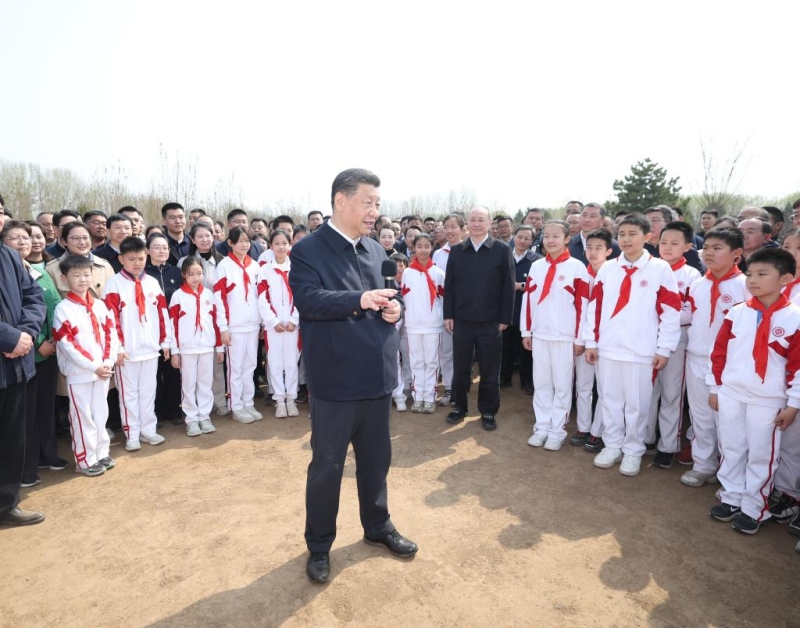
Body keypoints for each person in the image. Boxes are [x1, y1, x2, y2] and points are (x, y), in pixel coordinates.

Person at [290, 168, 417, 584]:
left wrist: (394, 310)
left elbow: (389, 300)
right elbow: (309, 301)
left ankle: (377, 526)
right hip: (336, 381)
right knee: (327, 466)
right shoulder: (309, 250)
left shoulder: (377, 251)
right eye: (368, 202)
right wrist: (359, 299)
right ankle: (320, 545)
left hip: (376, 377)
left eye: (378, 204)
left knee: (376, 461)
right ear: (340, 201)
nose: (375, 212)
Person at [707, 248, 800, 534]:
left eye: (762, 274)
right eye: (749, 274)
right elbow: (719, 352)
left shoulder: (794, 317)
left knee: (762, 455)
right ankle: (732, 496)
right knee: (731, 447)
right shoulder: (737, 312)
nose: (753, 280)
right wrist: (715, 387)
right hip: (732, 392)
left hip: (769, 399)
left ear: (785, 278)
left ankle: (754, 507)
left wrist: (793, 403)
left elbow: (798, 366)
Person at [583, 213, 681, 477]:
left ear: (647, 237)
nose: (625, 239)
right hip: (609, 348)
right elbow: (595, 307)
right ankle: (613, 444)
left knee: (637, 405)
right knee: (610, 399)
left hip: (642, 351)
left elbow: (671, 311)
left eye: (632, 234)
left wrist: (664, 348)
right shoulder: (608, 268)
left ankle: (633, 450)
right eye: (622, 234)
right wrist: (591, 341)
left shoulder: (660, 269)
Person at [680, 228, 749, 485]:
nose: (709, 253)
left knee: (729, 422)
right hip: (696, 357)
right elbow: (687, 317)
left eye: (717, 248)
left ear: (737, 254)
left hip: (729, 366)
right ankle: (703, 464)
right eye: (706, 247)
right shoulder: (697, 284)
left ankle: (732, 476)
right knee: (700, 416)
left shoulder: (745, 286)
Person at [1, 222, 65, 487]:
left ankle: (42, 458)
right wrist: (23, 339)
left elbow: (36, 300)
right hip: (23, 350)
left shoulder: (23, 265)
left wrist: (27, 334)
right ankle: (24, 473)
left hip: (28, 356)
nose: (23, 242)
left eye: (26, 237)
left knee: (34, 416)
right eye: (15, 238)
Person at [443, 206, 515, 431]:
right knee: (461, 367)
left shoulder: (502, 250)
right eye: (472, 220)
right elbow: (450, 285)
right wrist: (448, 314)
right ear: (467, 223)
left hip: (491, 322)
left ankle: (488, 411)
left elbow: (508, 287)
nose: (476, 224)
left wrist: (505, 317)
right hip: (462, 320)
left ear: (489, 223)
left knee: (489, 369)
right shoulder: (457, 251)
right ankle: (459, 407)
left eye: (481, 220)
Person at [520, 220, 589, 450]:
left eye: (556, 236)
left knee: (562, 386)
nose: (550, 240)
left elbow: (583, 306)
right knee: (541, 384)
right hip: (540, 335)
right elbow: (528, 302)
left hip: (565, 337)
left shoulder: (577, 267)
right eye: (547, 236)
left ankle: (557, 430)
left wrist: (580, 338)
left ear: (567, 238)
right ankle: (541, 426)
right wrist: (526, 330)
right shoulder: (538, 267)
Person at [103, 237, 172, 451]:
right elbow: (110, 320)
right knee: (128, 394)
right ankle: (131, 433)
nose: (137, 263)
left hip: (150, 349)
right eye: (131, 259)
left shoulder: (152, 282)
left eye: (141, 258)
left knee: (148, 391)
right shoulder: (114, 284)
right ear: (121, 259)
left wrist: (166, 342)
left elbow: (163, 315)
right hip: (128, 352)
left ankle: (148, 430)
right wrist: (118, 348)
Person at [52, 254, 118, 477]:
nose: (82, 279)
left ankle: (101, 452)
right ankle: (84, 459)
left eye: (86, 274)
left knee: (101, 412)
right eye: (76, 275)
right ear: (64, 278)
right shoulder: (63, 309)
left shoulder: (99, 305)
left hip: (102, 370)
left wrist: (107, 362)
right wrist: (93, 365)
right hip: (80, 372)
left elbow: (111, 334)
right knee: (82, 416)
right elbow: (67, 345)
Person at [645, 222, 701, 469]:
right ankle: (646, 438)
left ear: (688, 247)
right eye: (664, 242)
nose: (667, 247)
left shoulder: (691, 275)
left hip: (676, 342)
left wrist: (659, 316)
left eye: (675, 243)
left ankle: (667, 446)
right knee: (647, 392)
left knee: (671, 394)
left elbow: (689, 313)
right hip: (645, 340)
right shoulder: (649, 269)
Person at [0, 229, 46, 525]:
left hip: (15, 367)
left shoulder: (8, 256)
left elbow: (33, 296)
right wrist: (7, 337)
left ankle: (6, 505)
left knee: (11, 440)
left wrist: (26, 333)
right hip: (8, 349)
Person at [178, 222, 230, 416]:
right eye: (199, 236)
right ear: (192, 239)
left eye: (208, 235)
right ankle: (193, 408)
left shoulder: (222, 261)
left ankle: (218, 401)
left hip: (214, 313)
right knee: (192, 372)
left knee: (215, 364)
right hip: (193, 317)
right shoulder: (185, 260)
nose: (205, 239)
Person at [169, 257, 223, 437]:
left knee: (205, 383)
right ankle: (191, 419)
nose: (195, 278)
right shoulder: (178, 296)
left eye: (199, 273)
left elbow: (216, 323)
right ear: (184, 275)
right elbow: (173, 325)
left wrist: (219, 347)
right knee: (188, 384)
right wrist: (175, 351)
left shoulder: (209, 295)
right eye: (191, 274)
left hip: (207, 347)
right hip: (187, 349)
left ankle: (204, 416)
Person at [213, 227, 262, 424]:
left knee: (250, 366)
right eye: (239, 241)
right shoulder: (224, 267)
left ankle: (248, 402)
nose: (244, 244)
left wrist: (263, 324)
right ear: (230, 243)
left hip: (253, 325)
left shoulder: (256, 266)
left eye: (246, 240)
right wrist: (223, 327)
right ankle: (237, 406)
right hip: (234, 327)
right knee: (236, 368)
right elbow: (219, 298)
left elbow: (262, 297)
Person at [573, 229, 613, 452]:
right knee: (583, 386)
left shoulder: (614, 274)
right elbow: (580, 311)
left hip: (607, 342)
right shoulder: (581, 274)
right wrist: (582, 339)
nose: (593, 252)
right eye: (589, 247)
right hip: (584, 340)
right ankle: (583, 426)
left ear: (608, 251)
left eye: (599, 248)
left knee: (606, 390)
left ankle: (599, 431)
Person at [257, 229, 300, 419]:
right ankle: (279, 400)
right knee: (274, 363)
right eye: (277, 243)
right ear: (271, 246)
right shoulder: (265, 270)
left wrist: (294, 319)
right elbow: (261, 298)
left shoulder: (297, 269)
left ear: (290, 245)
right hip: (273, 327)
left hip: (292, 326)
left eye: (285, 243)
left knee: (291, 363)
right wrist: (273, 321)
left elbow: (301, 296)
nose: (281, 247)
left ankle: (291, 398)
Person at [401, 233, 445, 414]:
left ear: (431, 248)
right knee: (416, 360)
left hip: (433, 324)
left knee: (432, 361)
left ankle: (430, 396)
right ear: (413, 248)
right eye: (419, 246)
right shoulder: (407, 273)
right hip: (412, 324)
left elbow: (443, 298)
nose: (423, 250)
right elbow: (404, 298)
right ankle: (418, 396)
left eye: (427, 246)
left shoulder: (438, 273)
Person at [145, 233, 184, 425]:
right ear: (147, 250)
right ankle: (157, 412)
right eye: (156, 247)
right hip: (152, 330)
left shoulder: (176, 272)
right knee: (154, 373)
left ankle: (174, 410)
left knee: (173, 370)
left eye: (165, 247)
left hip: (175, 328)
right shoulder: (144, 274)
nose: (162, 251)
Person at [500, 225, 541, 394]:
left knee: (527, 350)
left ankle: (527, 381)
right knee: (505, 347)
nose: (523, 241)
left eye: (527, 239)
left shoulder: (537, 260)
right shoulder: (504, 255)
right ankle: (504, 378)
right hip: (505, 310)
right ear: (514, 237)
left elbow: (539, 284)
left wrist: (521, 286)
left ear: (532, 241)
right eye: (520, 237)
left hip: (527, 311)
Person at [432, 213, 464, 405]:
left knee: (463, 352)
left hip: (465, 310)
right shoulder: (437, 254)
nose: (450, 231)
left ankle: (461, 388)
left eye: (454, 227)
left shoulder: (469, 251)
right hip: (444, 309)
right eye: (447, 227)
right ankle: (450, 388)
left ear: (462, 228)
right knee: (446, 351)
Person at [45, 221, 115, 298]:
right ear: (64, 241)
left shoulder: (104, 266)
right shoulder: (52, 269)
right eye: (76, 238)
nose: (82, 242)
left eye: (85, 238)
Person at [390, 252, 411, 411]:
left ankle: (409, 385)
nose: (398, 270)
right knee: (394, 356)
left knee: (409, 354)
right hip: (393, 324)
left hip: (411, 323)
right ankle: (398, 394)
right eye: (395, 267)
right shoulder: (385, 282)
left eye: (401, 266)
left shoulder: (412, 279)